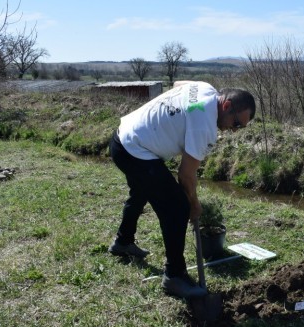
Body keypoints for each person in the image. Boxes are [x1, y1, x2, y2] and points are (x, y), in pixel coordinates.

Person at [108, 81, 255, 299]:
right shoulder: (203, 125)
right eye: (236, 124)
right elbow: (185, 174)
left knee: (141, 190)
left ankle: (123, 242)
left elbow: (179, 84)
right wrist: (193, 204)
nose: (234, 131)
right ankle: (174, 276)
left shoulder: (205, 88)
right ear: (226, 106)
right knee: (177, 207)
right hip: (135, 149)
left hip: (124, 136)